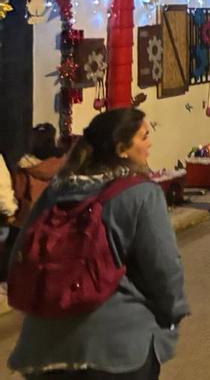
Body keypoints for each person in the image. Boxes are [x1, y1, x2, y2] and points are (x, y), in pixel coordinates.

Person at [8, 108, 188, 379]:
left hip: (45, 350)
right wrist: (172, 315)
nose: (149, 142)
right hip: (116, 348)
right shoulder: (141, 194)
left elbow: (20, 258)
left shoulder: (56, 190)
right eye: (143, 136)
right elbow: (163, 269)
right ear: (122, 148)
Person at [12, 123, 65, 226]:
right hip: (54, 225)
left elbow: (12, 201)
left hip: (25, 226)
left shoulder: (22, 169)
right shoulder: (63, 166)